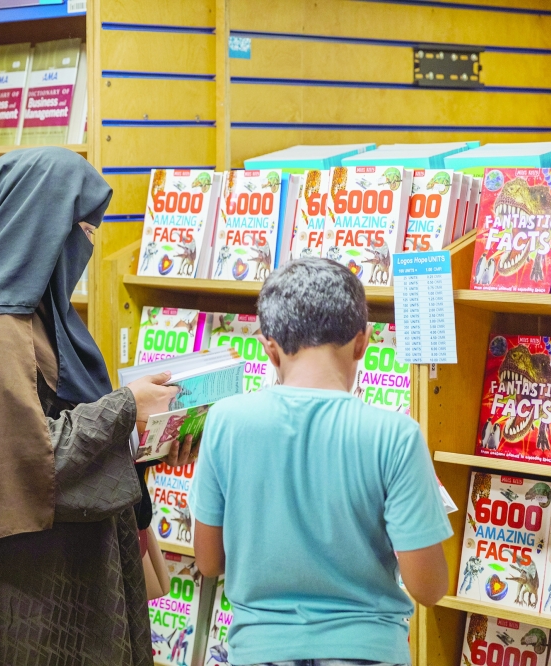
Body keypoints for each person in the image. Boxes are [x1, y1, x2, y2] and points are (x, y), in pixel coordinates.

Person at [0, 147, 192, 665]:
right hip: (33, 591)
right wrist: (126, 409)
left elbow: (60, 426)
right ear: (40, 225)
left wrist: (151, 432)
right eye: (83, 227)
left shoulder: (37, 318)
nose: (90, 244)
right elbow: (31, 461)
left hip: (70, 577)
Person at [189, 257, 452, 666]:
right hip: (368, 651)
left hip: (259, 651)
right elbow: (429, 587)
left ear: (269, 348)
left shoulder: (226, 421)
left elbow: (209, 562)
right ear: (362, 341)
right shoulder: (395, 436)